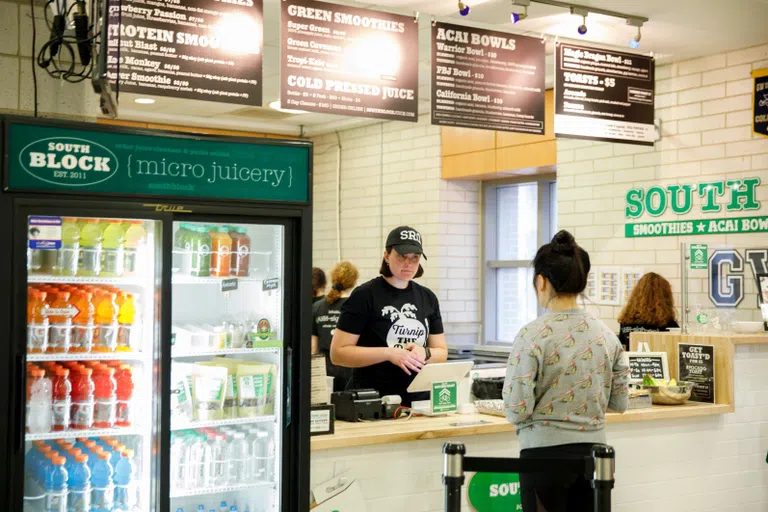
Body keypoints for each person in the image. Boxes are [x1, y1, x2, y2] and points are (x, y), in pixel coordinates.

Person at [502, 230, 629, 512]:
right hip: (596, 458)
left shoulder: (531, 335)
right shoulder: (607, 335)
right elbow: (620, 403)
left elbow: (516, 409)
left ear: (541, 281)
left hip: (542, 459)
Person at [330, 226, 448, 406]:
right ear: (386, 255)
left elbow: (441, 352)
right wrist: (389, 353)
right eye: (402, 256)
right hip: (372, 399)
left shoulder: (428, 298)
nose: (408, 264)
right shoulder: (365, 295)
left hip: (417, 401)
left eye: (414, 258)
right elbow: (338, 354)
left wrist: (424, 352)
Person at [312, 261, 359, 392]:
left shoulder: (317, 307)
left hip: (324, 367)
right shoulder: (355, 306)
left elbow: (313, 347)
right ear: (353, 282)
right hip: (348, 366)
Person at [617, 272, 679, 350]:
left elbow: (622, 347)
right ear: (664, 296)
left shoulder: (626, 320)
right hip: (657, 362)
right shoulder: (667, 322)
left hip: (631, 361)